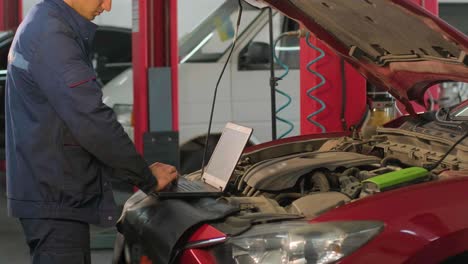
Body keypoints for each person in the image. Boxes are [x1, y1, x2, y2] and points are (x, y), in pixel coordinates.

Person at [5, 0, 178, 263]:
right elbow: (92, 120)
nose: (107, 6)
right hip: (55, 197)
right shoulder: (53, 37)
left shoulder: (43, 21)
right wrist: (146, 178)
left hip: (48, 190)